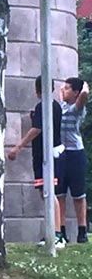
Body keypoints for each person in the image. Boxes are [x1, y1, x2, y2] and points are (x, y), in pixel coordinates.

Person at [8, 76, 67, 248]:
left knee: (49, 192)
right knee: (45, 192)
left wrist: (18, 147)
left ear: (37, 90)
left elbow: (37, 129)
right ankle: (52, 231)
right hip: (48, 154)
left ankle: (57, 234)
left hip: (49, 155)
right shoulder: (54, 106)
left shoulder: (44, 106)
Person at [57, 77, 89, 244]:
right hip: (62, 153)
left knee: (78, 194)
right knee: (60, 194)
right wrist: (64, 89)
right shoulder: (62, 106)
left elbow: (84, 95)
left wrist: (84, 86)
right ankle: (61, 231)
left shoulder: (77, 109)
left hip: (76, 154)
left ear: (75, 92)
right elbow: (60, 91)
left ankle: (82, 231)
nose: (64, 90)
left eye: (69, 88)